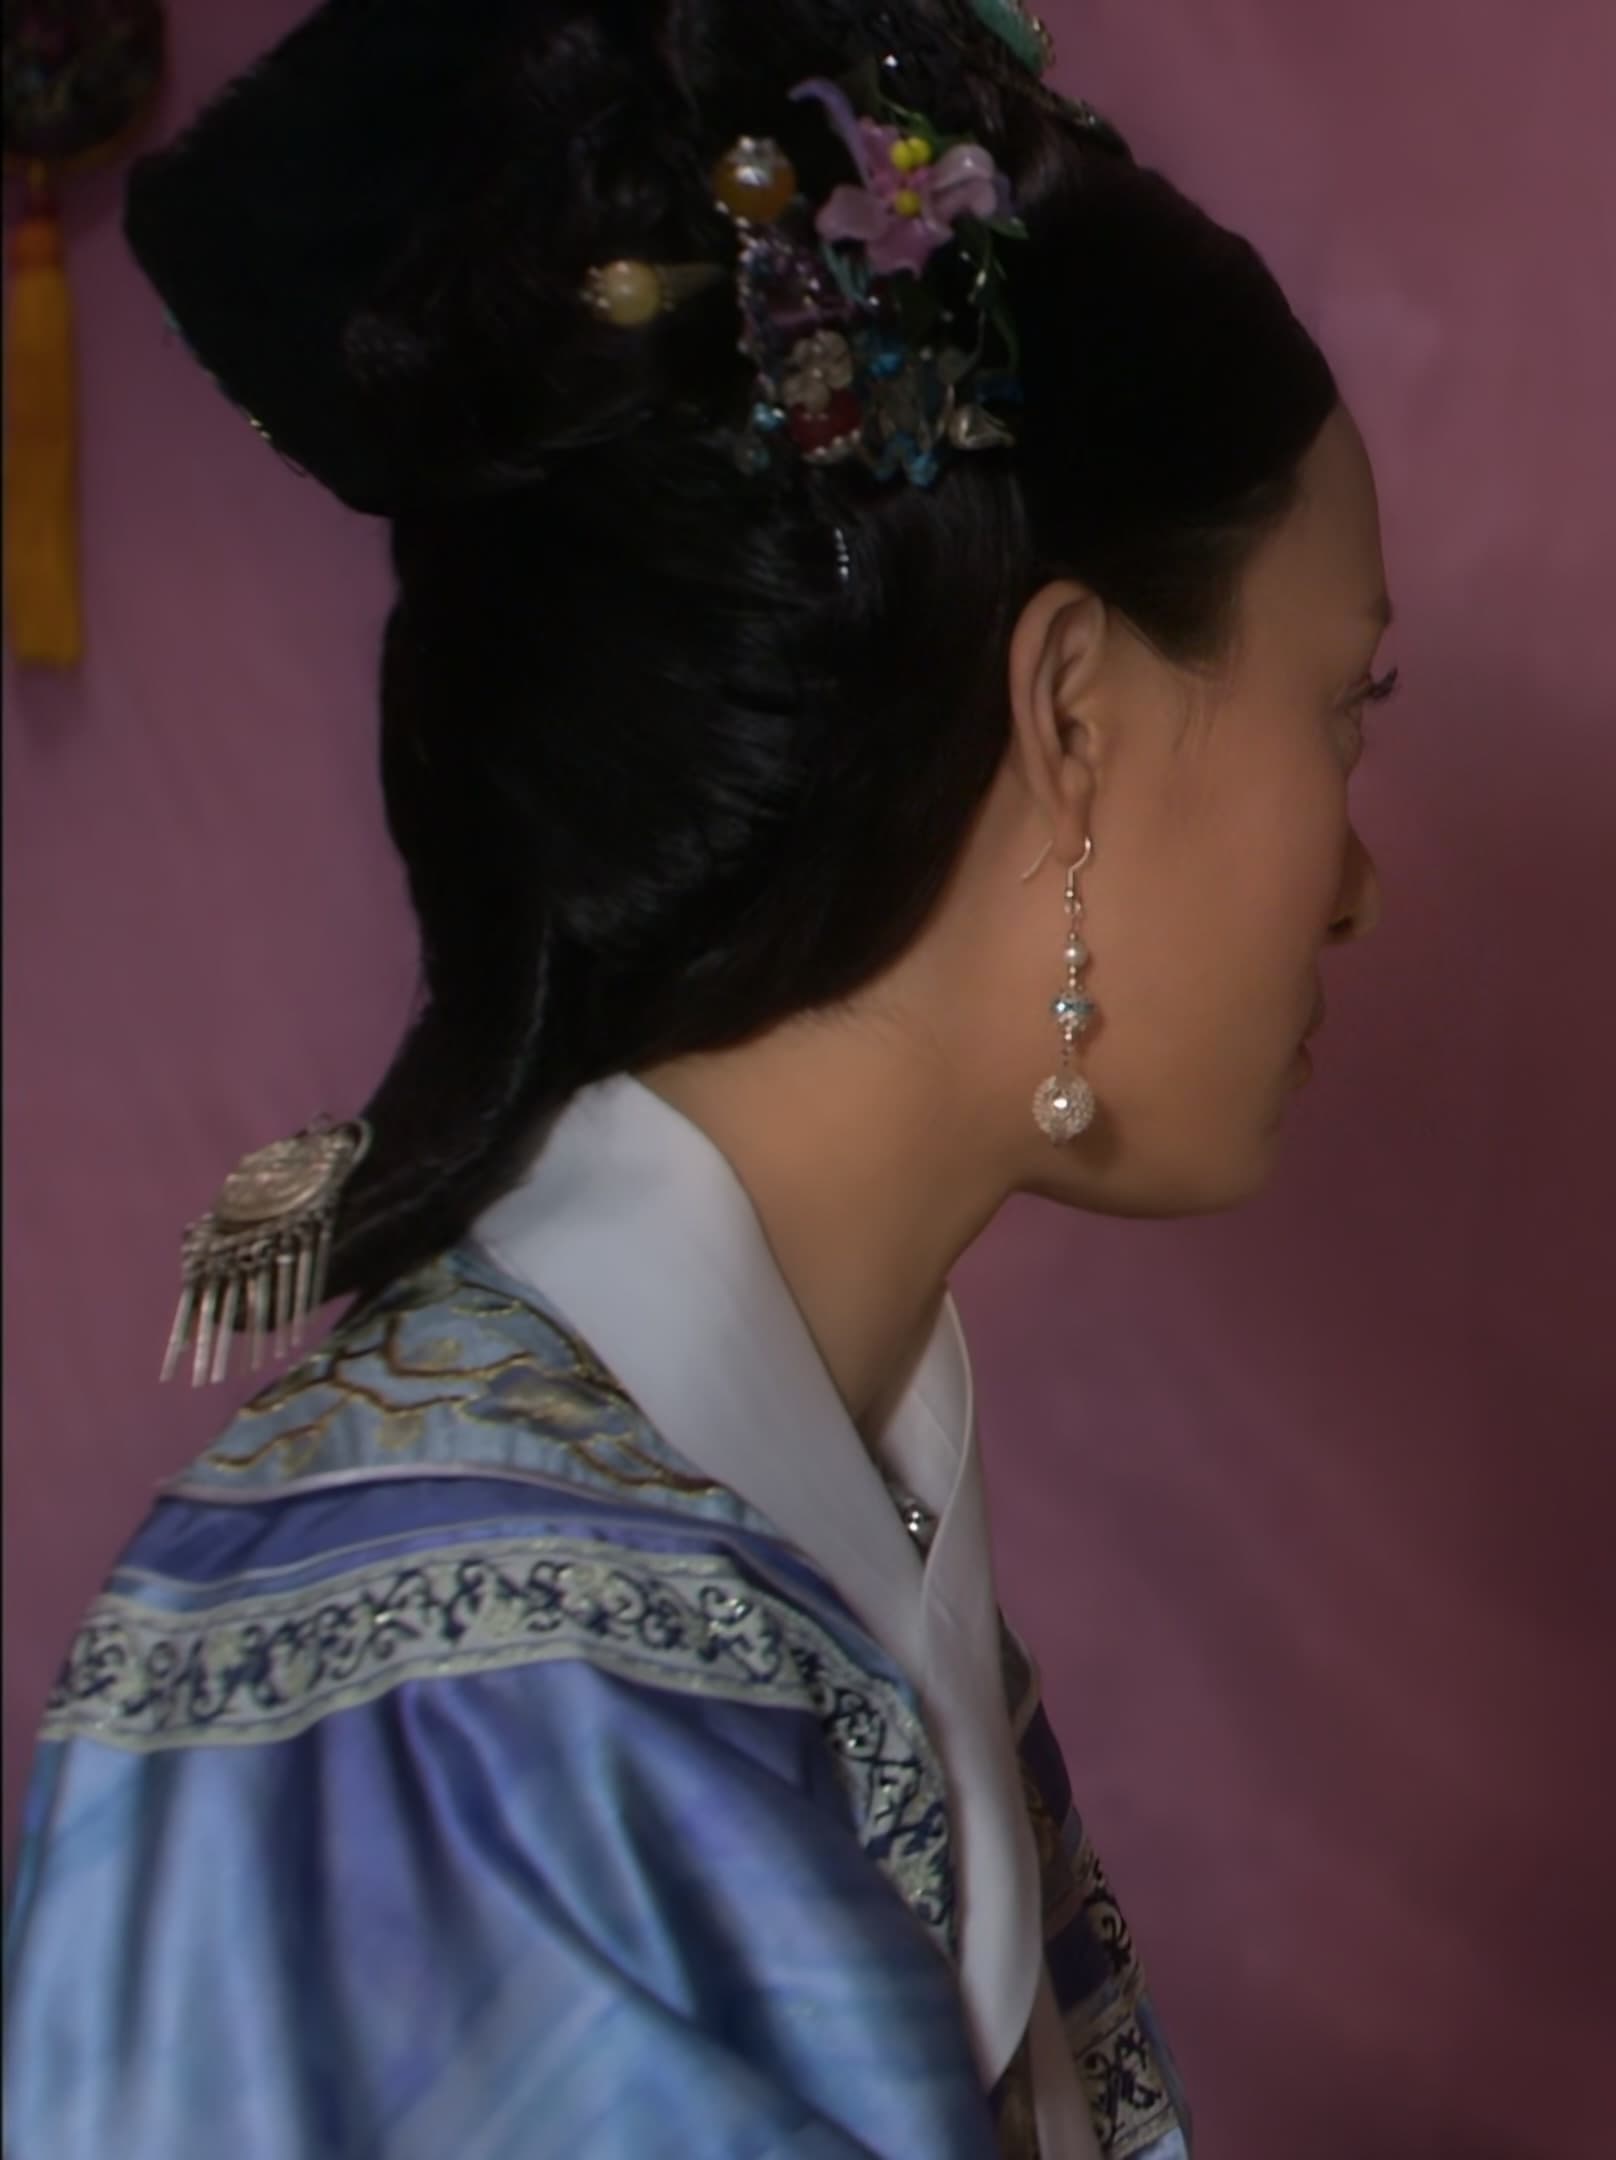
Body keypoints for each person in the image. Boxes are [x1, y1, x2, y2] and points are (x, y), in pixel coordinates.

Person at [0, 1, 1389, 2153]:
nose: (1360, 884)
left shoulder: (767, 1516)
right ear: (1073, 717)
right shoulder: (473, 1717)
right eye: (1342, 710)